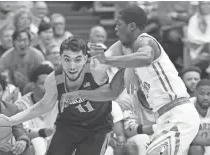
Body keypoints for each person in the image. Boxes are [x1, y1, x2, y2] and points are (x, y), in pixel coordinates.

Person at [61, 5, 200, 155]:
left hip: (179, 114)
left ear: (132, 26)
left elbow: (145, 57)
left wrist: (108, 60)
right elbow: (111, 92)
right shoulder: (129, 63)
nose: (115, 29)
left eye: (119, 24)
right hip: (163, 119)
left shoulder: (145, 40)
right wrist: (78, 94)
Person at [3, 36, 123, 155]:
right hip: (68, 126)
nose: (72, 66)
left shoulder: (96, 68)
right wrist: (10, 120)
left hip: (97, 127)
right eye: (67, 59)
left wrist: (130, 72)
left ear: (86, 58)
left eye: (77, 59)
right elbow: (43, 106)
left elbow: (125, 46)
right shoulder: (53, 79)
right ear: (60, 58)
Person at [14, 64, 56, 155]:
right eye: (43, 83)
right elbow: (22, 131)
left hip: (58, 142)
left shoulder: (61, 101)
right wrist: (44, 132)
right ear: (33, 85)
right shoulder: (21, 105)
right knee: (38, 141)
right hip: (34, 146)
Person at [189, 79, 210, 155]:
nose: (205, 97)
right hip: (191, 149)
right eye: (202, 93)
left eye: (209, 94)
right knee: (196, 149)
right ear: (195, 93)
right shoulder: (186, 107)